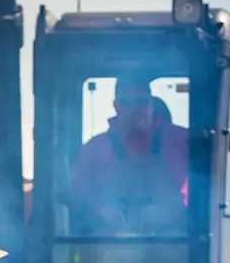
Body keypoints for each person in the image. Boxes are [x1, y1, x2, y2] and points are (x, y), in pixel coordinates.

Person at [68, 75, 189, 235]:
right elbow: (78, 201)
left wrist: (171, 211)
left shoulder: (183, 141)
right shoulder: (93, 150)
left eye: (143, 102)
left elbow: (207, 193)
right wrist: (102, 211)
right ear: (115, 106)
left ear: (152, 104)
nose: (136, 109)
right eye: (127, 103)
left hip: (177, 245)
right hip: (107, 247)